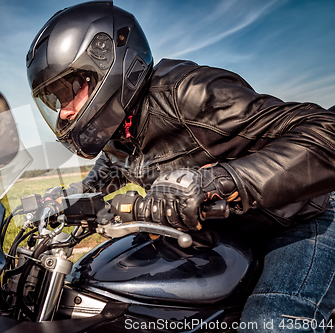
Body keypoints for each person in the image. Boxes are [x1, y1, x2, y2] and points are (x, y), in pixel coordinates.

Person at [26, 1, 335, 332]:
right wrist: (66, 199)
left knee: (269, 320)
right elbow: (109, 172)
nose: (64, 113)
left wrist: (215, 181)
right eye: (54, 100)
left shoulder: (190, 93)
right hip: (226, 234)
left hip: (299, 220)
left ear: (106, 61)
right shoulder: (120, 134)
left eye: (69, 90)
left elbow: (325, 132)